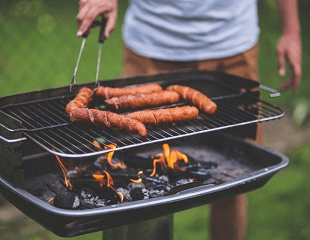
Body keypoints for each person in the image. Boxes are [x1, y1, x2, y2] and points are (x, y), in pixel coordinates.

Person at [76, 1, 301, 239]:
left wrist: (291, 31)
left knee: (235, 179)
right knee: (135, 176)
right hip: (151, 43)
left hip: (232, 45)